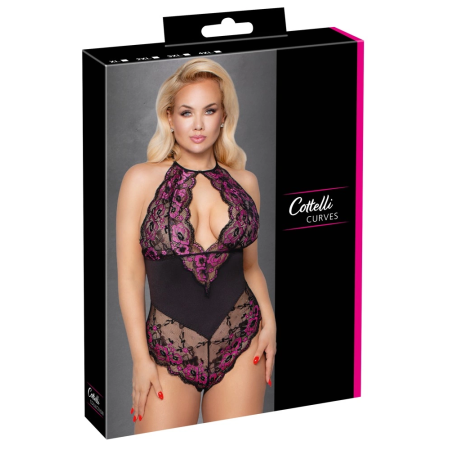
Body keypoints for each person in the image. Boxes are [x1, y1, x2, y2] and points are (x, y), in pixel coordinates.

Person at [116, 57, 276, 433]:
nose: (199, 124)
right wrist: (140, 359)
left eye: (209, 110)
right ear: (170, 118)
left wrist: (270, 323)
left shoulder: (246, 183)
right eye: (187, 112)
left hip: (243, 337)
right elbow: (129, 277)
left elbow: (250, 267)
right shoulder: (140, 180)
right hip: (167, 344)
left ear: (224, 117)